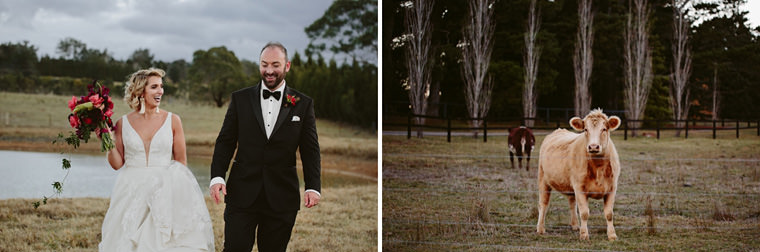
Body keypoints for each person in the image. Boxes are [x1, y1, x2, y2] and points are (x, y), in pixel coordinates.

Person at [209, 42, 321, 252]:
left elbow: (310, 149)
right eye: (264, 64)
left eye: (275, 65)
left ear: (287, 66)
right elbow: (225, 141)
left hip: (282, 197)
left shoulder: (302, 103)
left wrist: (313, 186)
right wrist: (217, 177)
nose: (269, 70)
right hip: (242, 194)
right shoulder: (240, 99)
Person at [100, 68, 215, 251]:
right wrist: (106, 138)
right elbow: (116, 164)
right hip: (131, 190)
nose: (160, 91)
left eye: (161, 86)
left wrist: (171, 194)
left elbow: (181, 163)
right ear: (140, 91)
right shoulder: (123, 123)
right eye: (154, 87)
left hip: (163, 189)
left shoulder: (173, 120)